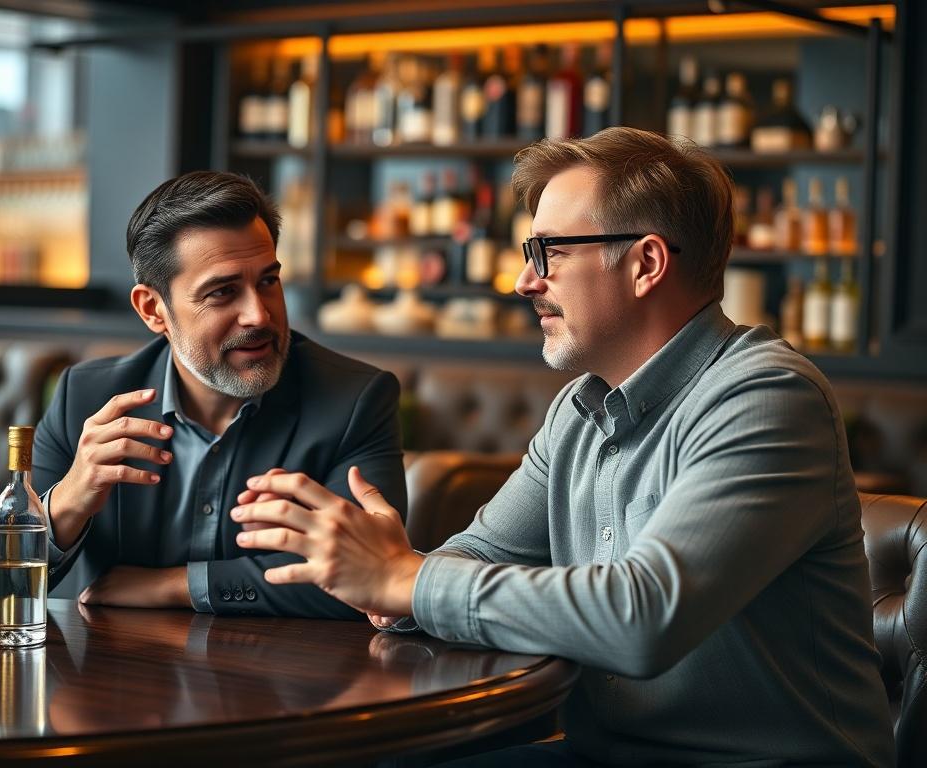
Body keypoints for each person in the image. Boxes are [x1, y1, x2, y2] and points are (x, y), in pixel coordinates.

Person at [232, 128, 895, 765]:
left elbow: (643, 618)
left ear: (646, 264)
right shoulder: (580, 408)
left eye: (549, 252)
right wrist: (387, 579)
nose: (524, 282)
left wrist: (407, 578)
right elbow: (478, 555)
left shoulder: (767, 397)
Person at [36, 170, 406, 618]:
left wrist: (178, 587)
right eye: (223, 292)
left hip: (284, 679)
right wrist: (68, 502)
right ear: (153, 310)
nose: (258, 314)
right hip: (106, 678)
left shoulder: (354, 400)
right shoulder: (85, 397)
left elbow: (371, 579)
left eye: (268, 281)